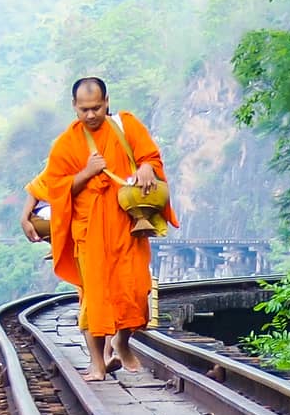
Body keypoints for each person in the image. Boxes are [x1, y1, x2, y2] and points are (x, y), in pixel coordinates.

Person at [21, 76, 178, 380]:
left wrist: (146, 167)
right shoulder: (67, 143)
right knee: (93, 298)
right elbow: (53, 186)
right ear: (74, 108)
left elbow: (150, 157)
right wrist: (87, 173)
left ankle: (122, 342)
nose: (91, 115)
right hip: (89, 231)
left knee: (136, 291)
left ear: (107, 102)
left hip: (127, 229)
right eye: (84, 109)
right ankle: (96, 364)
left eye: (96, 108)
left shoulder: (125, 126)